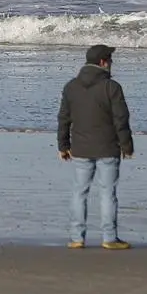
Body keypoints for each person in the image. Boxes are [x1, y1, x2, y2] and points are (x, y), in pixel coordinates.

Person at [57, 43, 133, 249]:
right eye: (110, 60)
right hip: (108, 147)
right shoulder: (112, 87)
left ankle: (76, 237)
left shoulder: (71, 87)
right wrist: (127, 145)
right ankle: (109, 237)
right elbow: (121, 119)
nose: (111, 63)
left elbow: (63, 118)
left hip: (80, 148)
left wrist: (63, 145)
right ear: (103, 62)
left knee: (79, 192)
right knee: (108, 193)